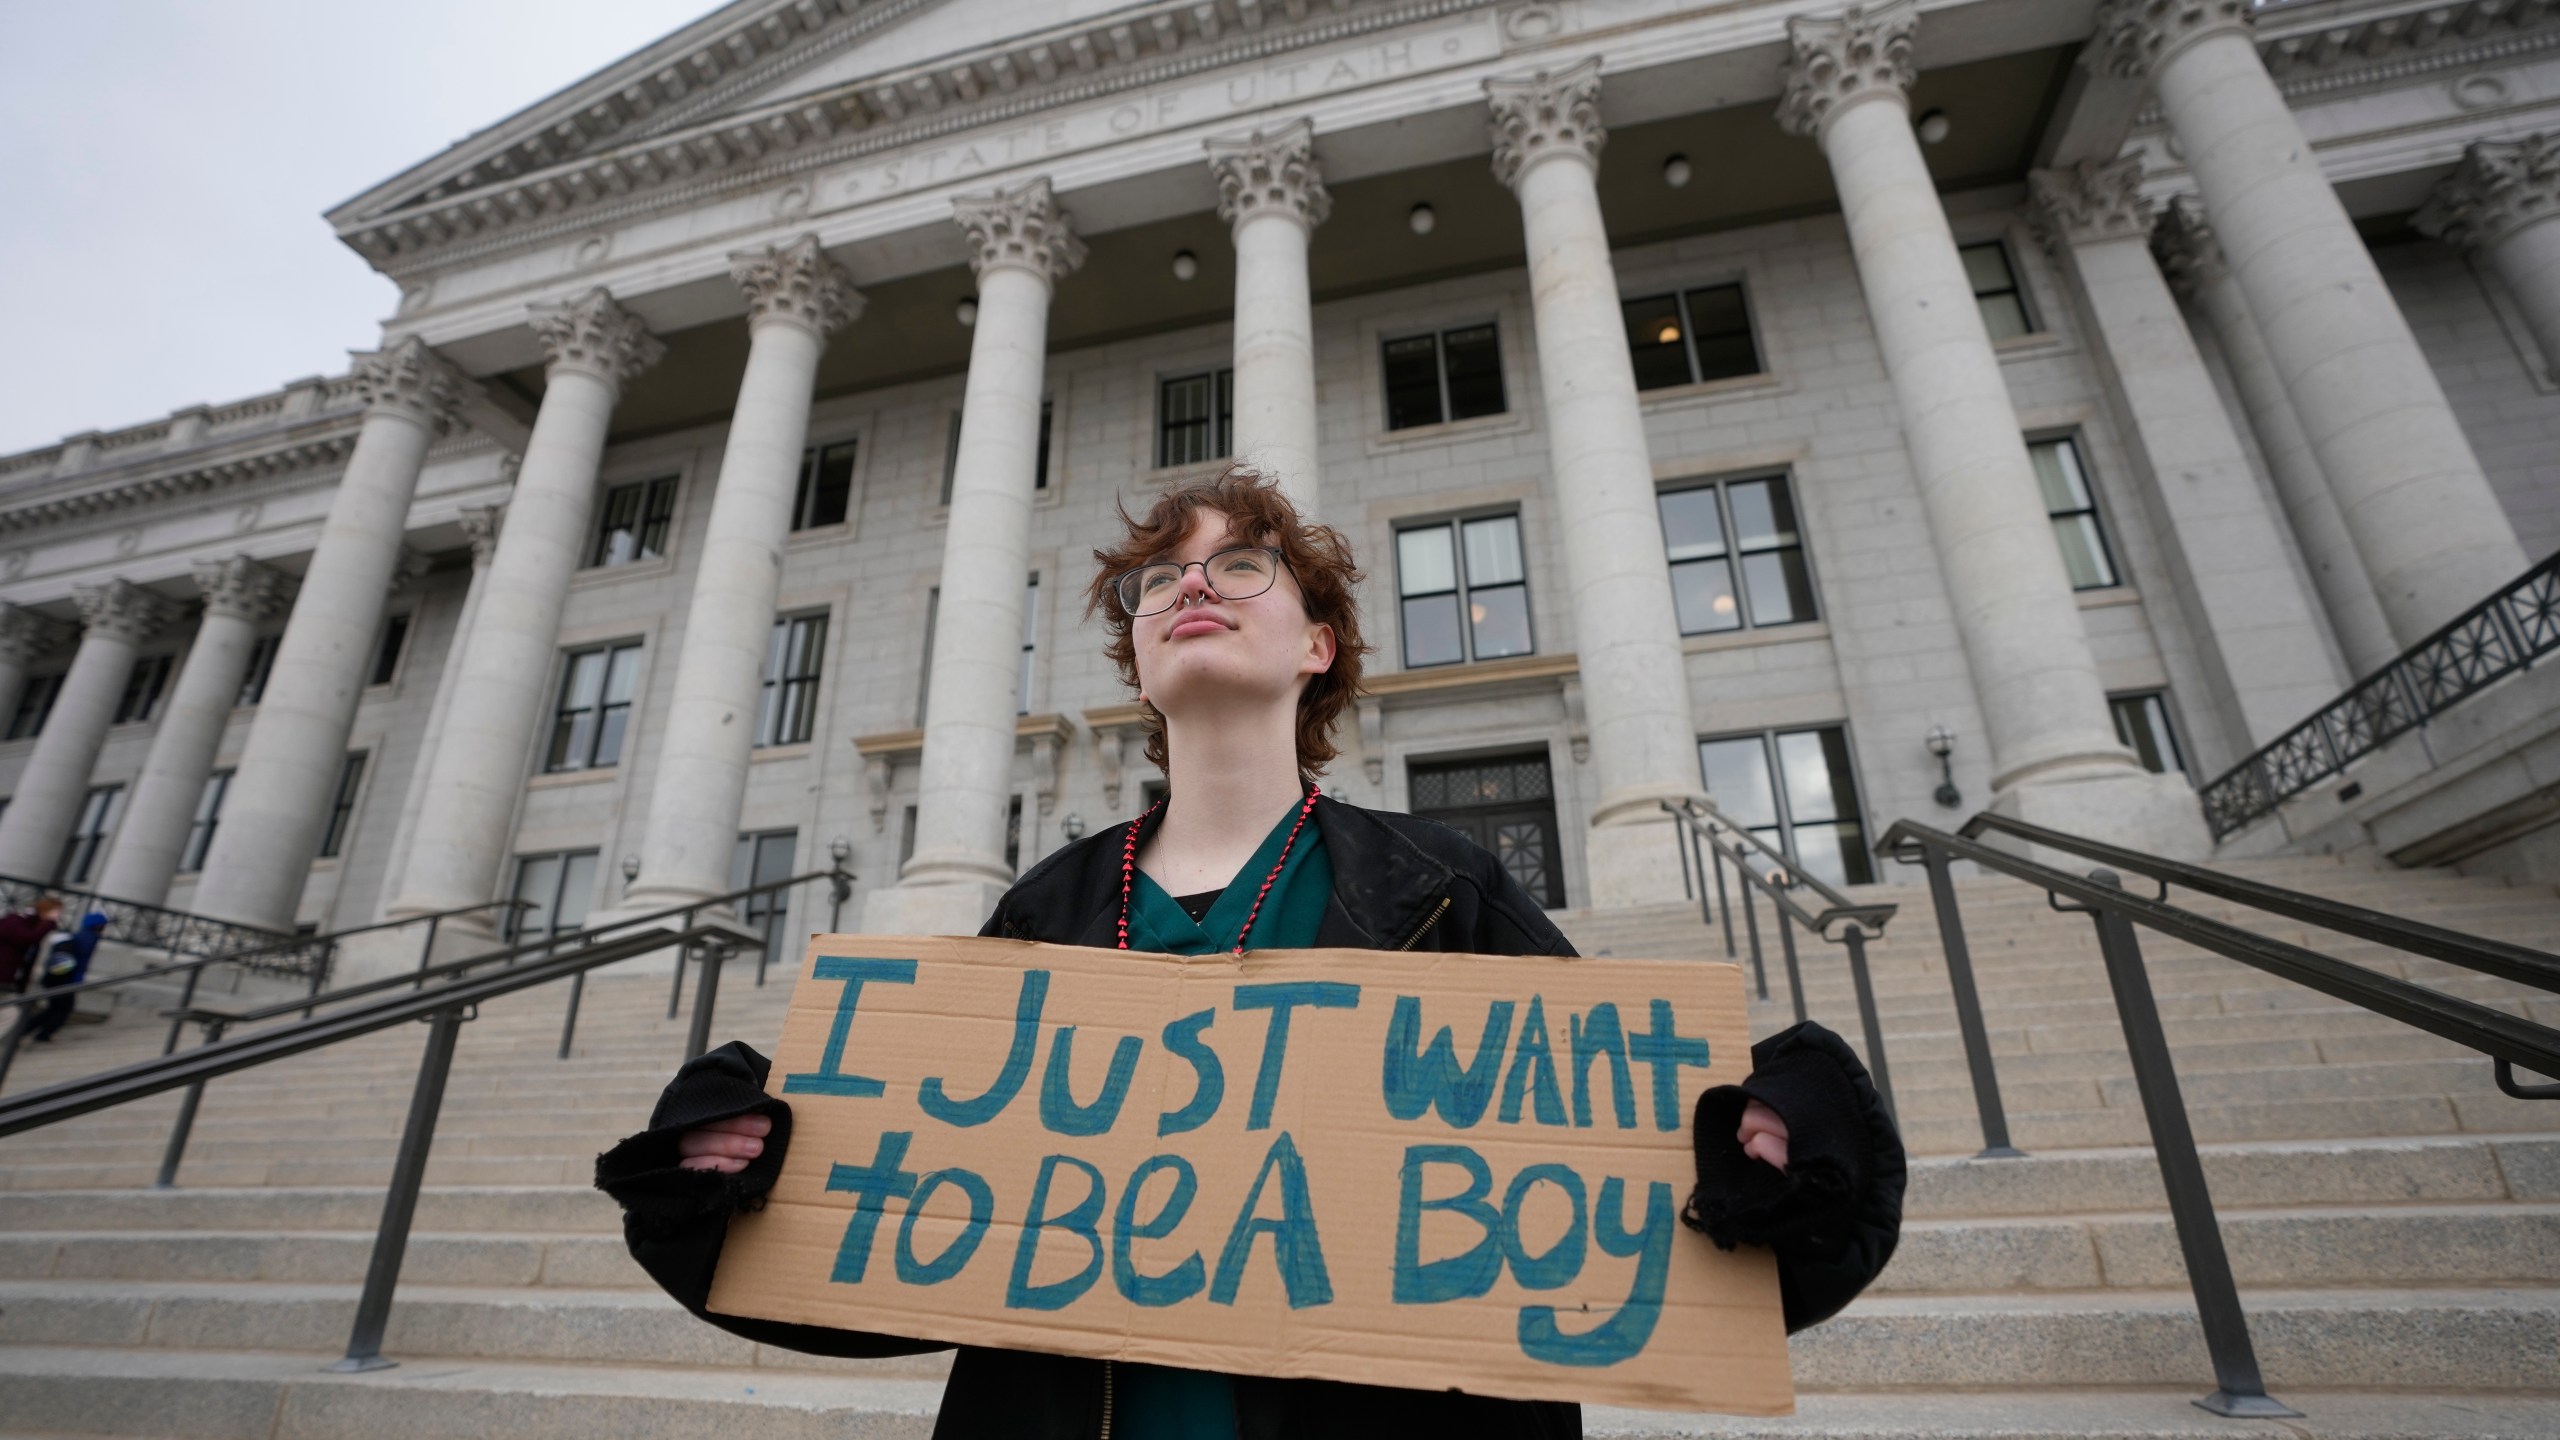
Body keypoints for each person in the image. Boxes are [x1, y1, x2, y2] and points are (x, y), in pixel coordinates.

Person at [597, 468, 1904, 1438]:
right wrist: (749, 1163)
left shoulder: (1443, 888)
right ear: (1140, 656)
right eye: (1157, 581)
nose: (1189, 591)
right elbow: (913, 1227)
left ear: (1317, 645)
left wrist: (1761, 1136)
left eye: (1238, 569)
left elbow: (1626, 1161)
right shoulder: (1047, 904)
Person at [29, 911, 109, 1043]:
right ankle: (41, 1034)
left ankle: (30, 1031)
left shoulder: (81, 936)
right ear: (97, 925)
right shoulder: (88, 938)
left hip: (59, 978)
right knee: (62, 1009)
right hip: (65, 980)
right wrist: (76, 979)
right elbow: (80, 961)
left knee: (55, 1008)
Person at [0, 896, 62, 994]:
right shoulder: (16, 922)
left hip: (8, 981)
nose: (57, 917)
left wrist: (21, 987)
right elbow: (27, 939)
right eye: (56, 912)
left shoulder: (31, 926)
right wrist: (49, 923)